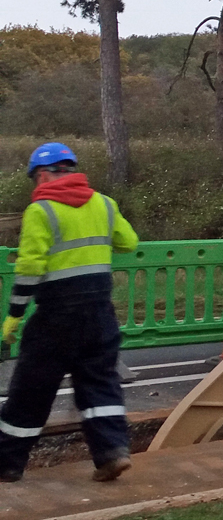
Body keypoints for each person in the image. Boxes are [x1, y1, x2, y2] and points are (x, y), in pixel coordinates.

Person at [0, 143, 139, 483]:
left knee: (32, 388)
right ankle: (112, 453)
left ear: (44, 174)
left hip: (56, 315)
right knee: (100, 383)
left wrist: (14, 317)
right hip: (99, 314)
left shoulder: (41, 210)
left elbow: (30, 267)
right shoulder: (104, 203)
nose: (36, 185)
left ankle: (6, 464)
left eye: (36, 178)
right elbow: (129, 242)